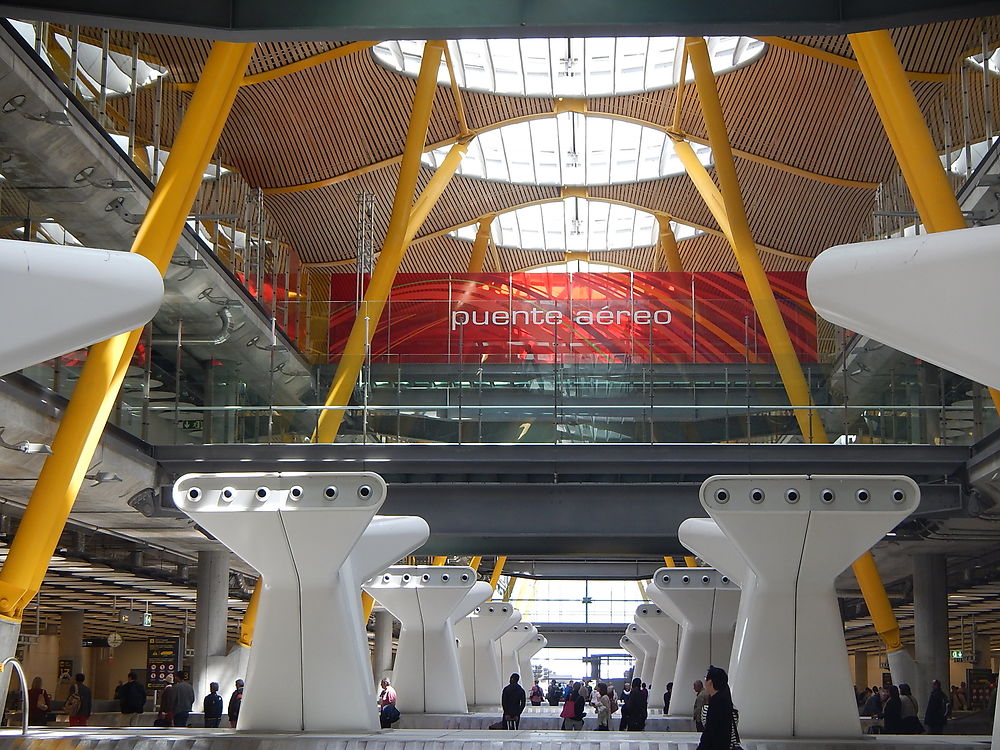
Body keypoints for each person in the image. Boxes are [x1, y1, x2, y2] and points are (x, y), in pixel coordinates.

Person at [697, 665, 739, 750]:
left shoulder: (715, 704)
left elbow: (709, 734)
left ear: (710, 682)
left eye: (706, 678)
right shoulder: (726, 702)